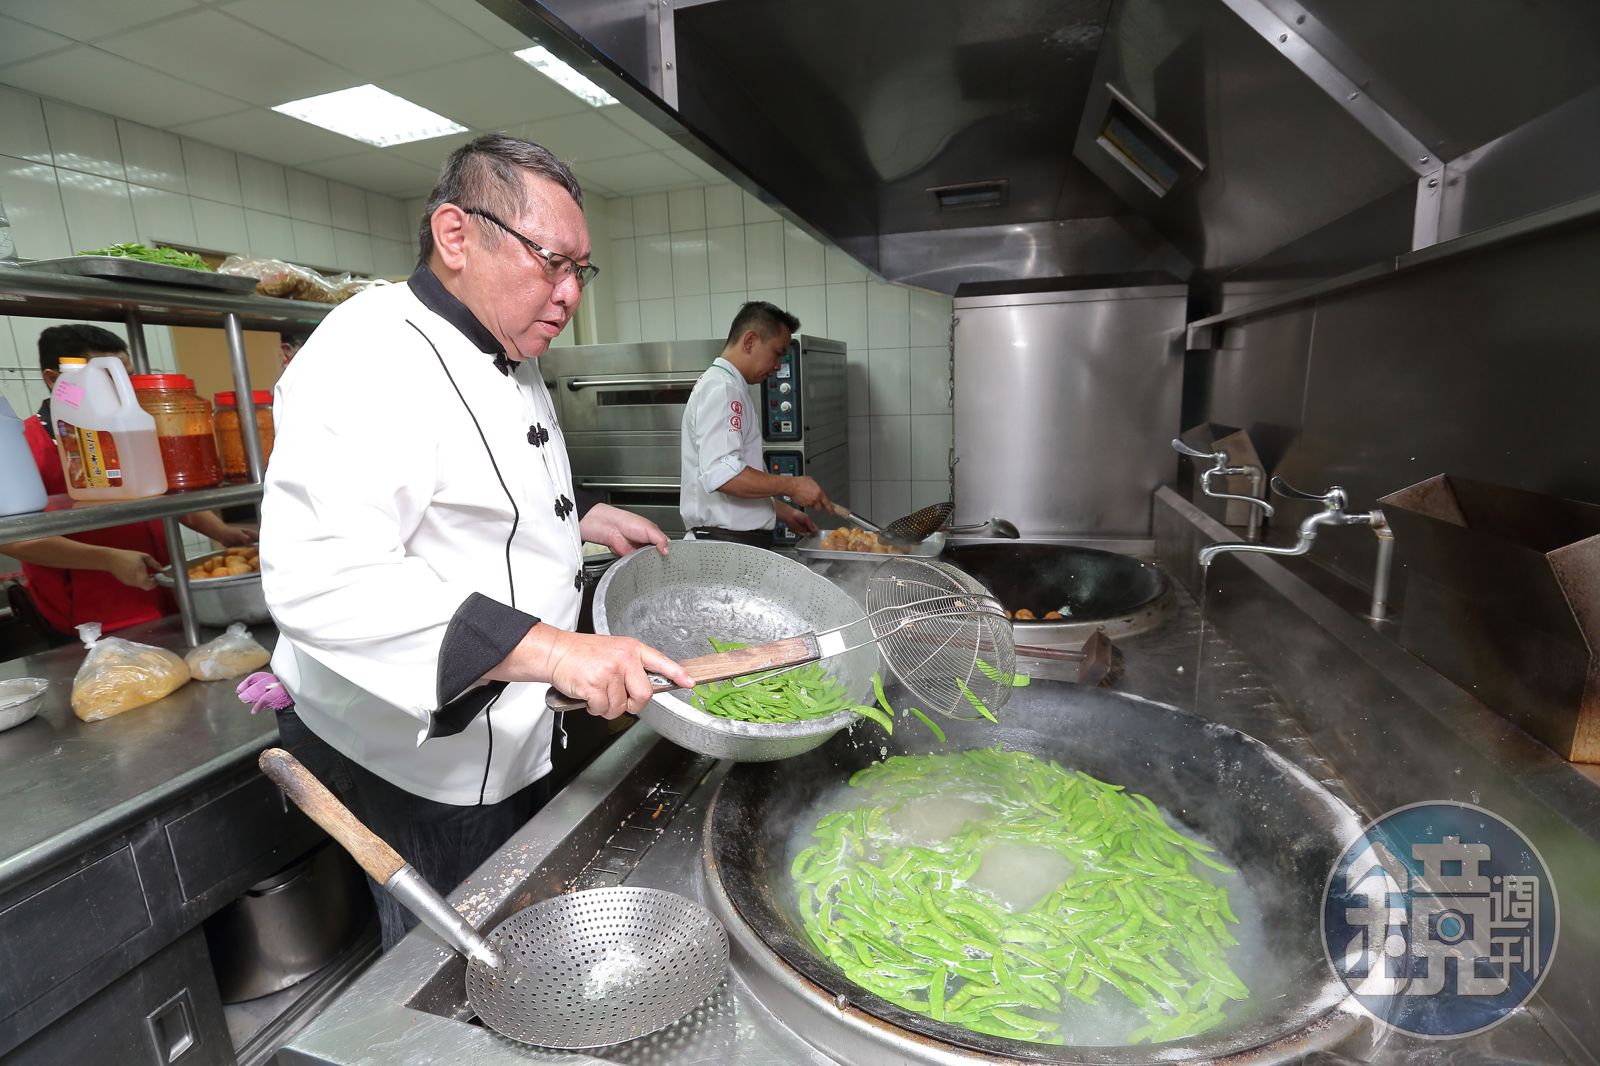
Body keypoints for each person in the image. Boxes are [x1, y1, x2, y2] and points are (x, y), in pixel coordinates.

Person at [259, 134, 695, 950]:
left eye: (581, 271)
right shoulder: (367, 354)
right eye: (551, 262)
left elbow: (480, 484)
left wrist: (581, 514)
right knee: (456, 965)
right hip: (413, 759)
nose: (570, 293)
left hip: (513, 724)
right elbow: (326, 580)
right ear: (456, 235)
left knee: (514, 930)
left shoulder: (503, 343)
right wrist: (558, 651)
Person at [0, 324, 256, 638]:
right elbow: (12, 538)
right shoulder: (25, 445)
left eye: (128, 377)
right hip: (94, 617)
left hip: (165, 593)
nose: (127, 389)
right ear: (56, 380)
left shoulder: (130, 429)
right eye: (108, 379)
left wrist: (221, 531)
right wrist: (106, 559)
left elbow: (166, 493)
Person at [678, 301, 834, 545]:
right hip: (726, 546)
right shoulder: (723, 389)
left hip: (730, 543)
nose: (777, 365)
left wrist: (781, 511)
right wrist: (792, 485)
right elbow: (723, 476)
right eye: (777, 353)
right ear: (750, 341)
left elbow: (729, 477)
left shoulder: (726, 385)